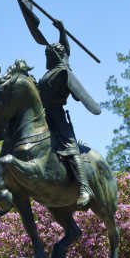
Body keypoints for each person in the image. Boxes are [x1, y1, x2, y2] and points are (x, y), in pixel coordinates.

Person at [37, 20, 101, 206]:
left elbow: (65, 52)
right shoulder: (48, 74)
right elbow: (64, 49)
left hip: (56, 115)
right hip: (41, 115)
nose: (46, 59)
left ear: (55, 56)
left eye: (48, 55)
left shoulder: (64, 72)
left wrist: (62, 33)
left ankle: (84, 187)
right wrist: (61, 30)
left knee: (69, 147)